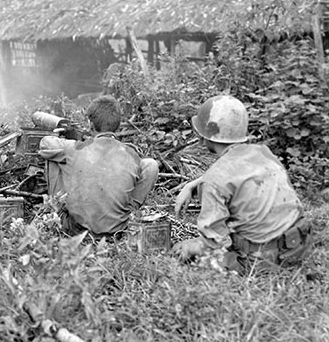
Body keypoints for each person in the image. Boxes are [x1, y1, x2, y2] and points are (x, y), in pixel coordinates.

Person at [172, 95, 312, 273]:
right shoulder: (262, 152)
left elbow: (214, 244)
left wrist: (190, 246)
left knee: (200, 259)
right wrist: (192, 185)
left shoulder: (215, 180)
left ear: (202, 136)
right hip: (299, 244)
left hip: (266, 260)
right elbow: (234, 174)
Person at [38, 95, 159, 240]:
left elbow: (45, 144)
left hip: (78, 230)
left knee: (53, 157)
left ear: (90, 125)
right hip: (118, 230)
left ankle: (55, 216)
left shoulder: (75, 148)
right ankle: (129, 213)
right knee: (151, 164)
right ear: (118, 126)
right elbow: (148, 168)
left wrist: (68, 137)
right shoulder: (130, 153)